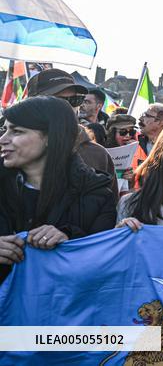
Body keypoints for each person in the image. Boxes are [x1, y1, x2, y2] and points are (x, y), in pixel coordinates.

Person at [0, 97, 116, 279]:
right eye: (4, 130)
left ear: (50, 137)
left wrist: (69, 238)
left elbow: (104, 262)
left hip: (66, 303)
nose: (3, 139)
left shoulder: (97, 193)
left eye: (17, 131)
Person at [129, 103, 163, 189]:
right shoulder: (134, 143)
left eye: (146, 115)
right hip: (138, 195)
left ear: (160, 122)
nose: (140, 119)